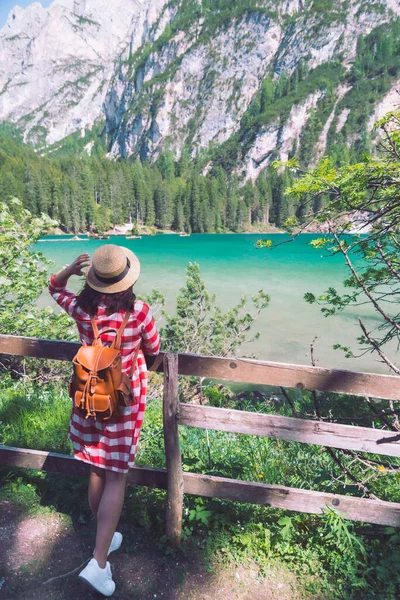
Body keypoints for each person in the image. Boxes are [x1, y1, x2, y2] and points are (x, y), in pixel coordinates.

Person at [48, 244, 160, 597]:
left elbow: (54, 288)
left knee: (97, 468)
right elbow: (154, 350)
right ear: (126, 279)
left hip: (89, 399)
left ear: (94, 279)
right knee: (116, 476)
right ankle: (98, 564)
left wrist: (67, 271)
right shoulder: (139, 312)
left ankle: (104, 535)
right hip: (124, 404)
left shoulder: (82, 308)